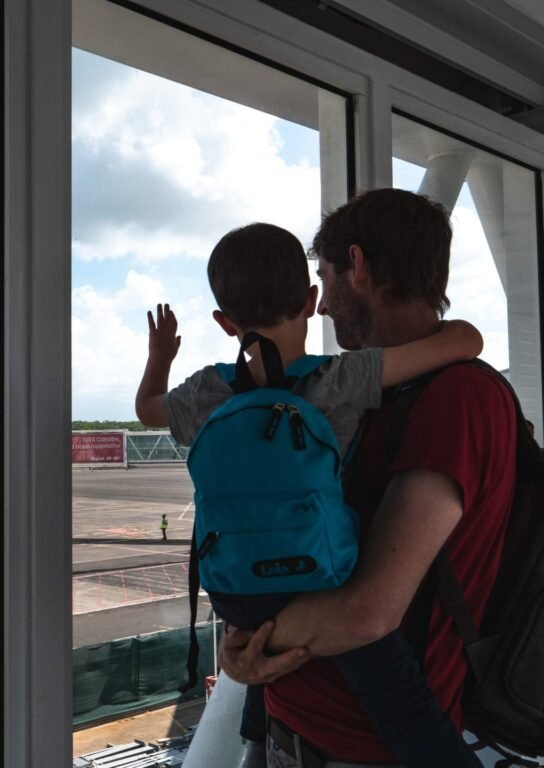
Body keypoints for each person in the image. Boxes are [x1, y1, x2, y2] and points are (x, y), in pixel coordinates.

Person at [136, 221, 484, 767]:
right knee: (402, 701)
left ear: (225, 323)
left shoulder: (206, 390)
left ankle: (254, 741)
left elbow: (148, 407)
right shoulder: (339, 379)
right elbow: (465, 342)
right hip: (321, 571)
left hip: (234, 593)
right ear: (311, 299)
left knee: (256, 661)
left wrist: (161, 355)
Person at [217, 190, 516, 767]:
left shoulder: (458, 397)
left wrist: (253, 638)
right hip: (298, 734)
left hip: (364, 750)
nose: (321, 307)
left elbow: (369, 611)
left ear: (358, 266)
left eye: (325, 280)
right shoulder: (373, 396)